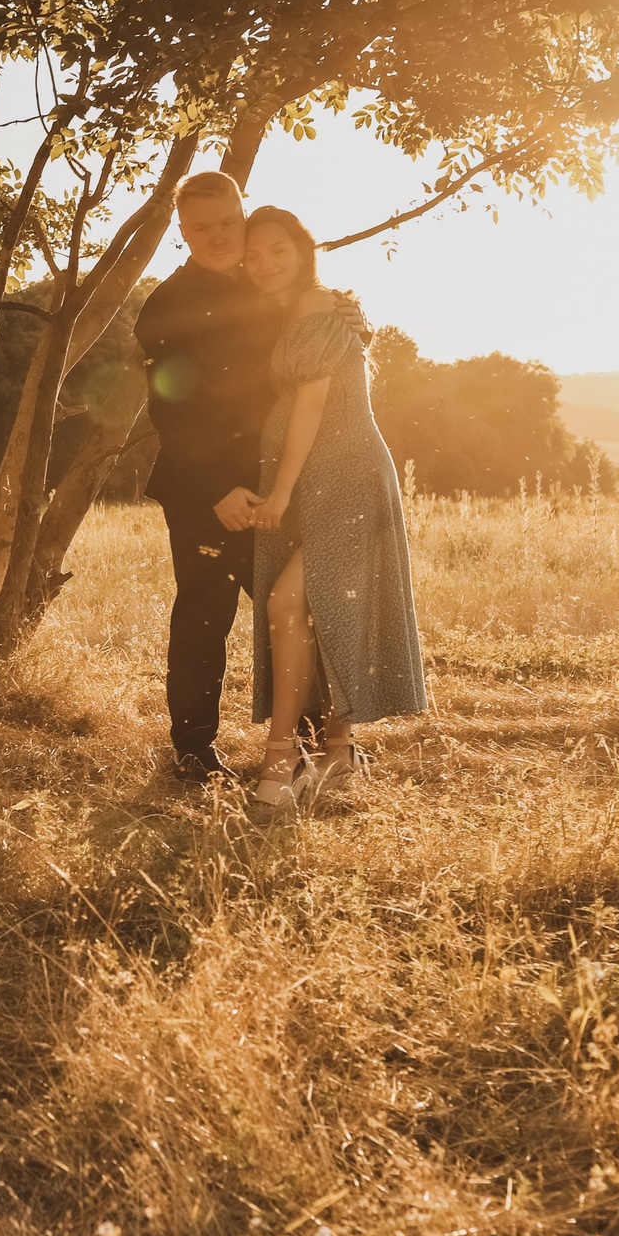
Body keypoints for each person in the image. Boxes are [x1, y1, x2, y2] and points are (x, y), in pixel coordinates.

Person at [239, 205, 428, 819]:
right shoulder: (308, 308)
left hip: (340, 477)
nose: (264, 263)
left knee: (289, 602)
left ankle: (279, 760)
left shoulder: (316, 307)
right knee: (318, 606)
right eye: (254, 254)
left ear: (304, 251)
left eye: (277, 250)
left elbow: (313, 405)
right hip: (315, 478)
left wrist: (283, 490)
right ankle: (339, 749)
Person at [131, 169, 295, 780]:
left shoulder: (271, 281)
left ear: (241, 212)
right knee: (206, 612)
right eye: (201, 228)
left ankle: (304, 739)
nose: (218, 236)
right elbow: (172, 406)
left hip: (278, 482)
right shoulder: (168, 305)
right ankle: (194, 753)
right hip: (204, 490)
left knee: (292, 609)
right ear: (182, 230)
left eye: (228, 222)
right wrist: (217, 488)